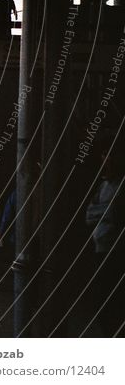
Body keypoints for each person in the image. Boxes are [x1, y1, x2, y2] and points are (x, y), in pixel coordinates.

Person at [85, 134, 125, 336]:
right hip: (101, 248)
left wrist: (106, 212)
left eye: (108, 155)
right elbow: (89, 214)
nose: (104, 160)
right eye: (102, 155)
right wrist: (106, 212)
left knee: (111, 303)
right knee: (102, 302)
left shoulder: (119, 185)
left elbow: (115, 214)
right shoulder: (104, 185)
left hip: (115, 250)